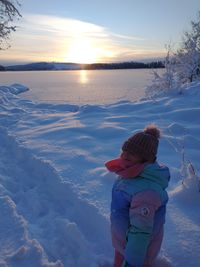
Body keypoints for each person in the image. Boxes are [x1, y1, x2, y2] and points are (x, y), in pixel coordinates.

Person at [105, 125, 170, 267]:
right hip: (124, 244)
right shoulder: (130, 174)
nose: (125, 155)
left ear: (145, 159)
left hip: (138, 252)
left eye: (132, 153)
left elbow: (141, 232)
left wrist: (133, 262)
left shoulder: (146, 191)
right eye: (125, 150)